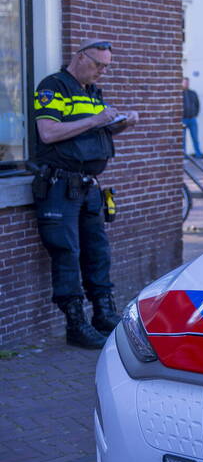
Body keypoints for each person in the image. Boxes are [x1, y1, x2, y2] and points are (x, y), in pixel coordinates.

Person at [31, 39, 139, 349]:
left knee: (97, 252)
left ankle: (103, 314)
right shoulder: (54, 86)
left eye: (106, 67)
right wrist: (97, 119)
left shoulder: (91, 91)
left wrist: (119, 124)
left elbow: (91, 130)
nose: (102, 72)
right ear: (80, 57)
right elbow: (48, 132)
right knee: (67, 253)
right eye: (98, 65)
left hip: (88, 185)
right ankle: (75, 324)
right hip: (60, 185)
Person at [181, 77, 203, 157]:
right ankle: (184, 156)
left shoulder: (193, 93)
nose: (186, 84)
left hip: (192, 119)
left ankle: (198, 154)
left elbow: (197, 104)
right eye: (185, 82)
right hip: (182, 120)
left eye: (187, 82)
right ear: (181, 83)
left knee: (195, 138)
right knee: (182, 139)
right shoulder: (178, 93)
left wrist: (195, 114)